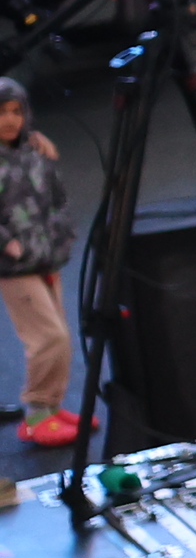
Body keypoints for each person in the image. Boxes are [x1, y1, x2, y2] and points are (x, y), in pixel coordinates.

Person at [0, 75, 74, 448]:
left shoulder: (33, 153)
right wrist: (8, 244)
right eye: (1, 113)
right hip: (14, 267)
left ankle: (51, 406)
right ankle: (35, 413)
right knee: (47, 337)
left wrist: (61, 238)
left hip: (44, 258)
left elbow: (55, 199)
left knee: (62, 337)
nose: (9, 120)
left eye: (16, 112)